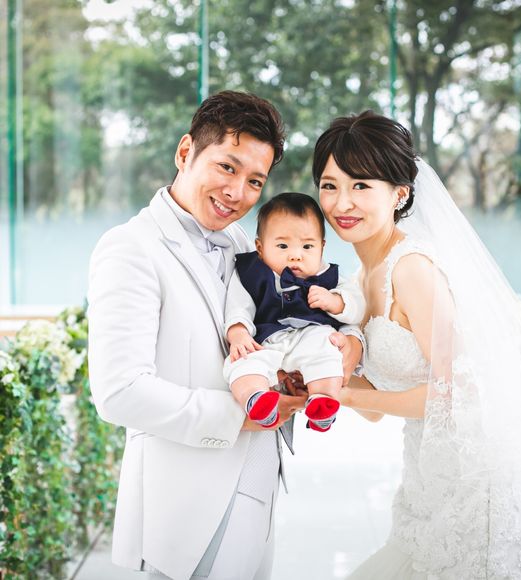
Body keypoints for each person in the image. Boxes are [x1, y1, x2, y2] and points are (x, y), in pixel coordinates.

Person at [87, 91, 363, 580]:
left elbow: (296, 318)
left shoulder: (247, 243)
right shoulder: (130, 248)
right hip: (188, 500)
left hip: (261, 482)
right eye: (226, 167)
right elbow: (119, 392)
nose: (237, 192)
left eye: (255, 180)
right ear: (185, 151)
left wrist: (340, 349)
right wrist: (241, 416)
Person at [311, 110, 521, 579]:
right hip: (428, 478)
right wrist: (324, 377)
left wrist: (346, 396)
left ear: (399, 193)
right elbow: (375, 409)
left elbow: (457, 393)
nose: (342, 202)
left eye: (361, 185)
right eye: (330, 185)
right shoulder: (360, 278)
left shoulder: (412, 269)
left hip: (475, 485)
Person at [223, 192, 365, 432]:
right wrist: (238, 333)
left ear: (322, 247)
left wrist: (336, 302)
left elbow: (358, 307)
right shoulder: (251, 274)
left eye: (308, 246)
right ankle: (255, 398)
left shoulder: (330, 277)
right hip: (266, 340)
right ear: (260, 248)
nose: (296, 255)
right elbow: (238, 306)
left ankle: (323, 402)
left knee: (326, 353)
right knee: (242, 361)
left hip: (311, 336)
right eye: (282, 246)